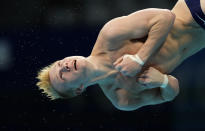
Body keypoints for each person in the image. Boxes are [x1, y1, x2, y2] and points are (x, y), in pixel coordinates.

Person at [36, 0, 205, 111]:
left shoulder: (110, 36)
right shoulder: (122, 98)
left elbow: (165, 17)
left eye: (59, 63)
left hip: (193, 12)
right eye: (62, 75)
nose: (64, 66)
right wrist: (163, 81)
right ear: (79, 89)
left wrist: (139, 59)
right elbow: (170, 93)